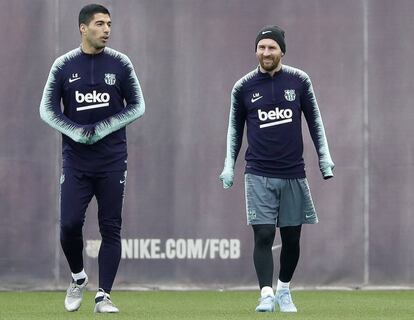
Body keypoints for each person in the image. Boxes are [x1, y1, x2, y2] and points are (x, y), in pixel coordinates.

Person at [219, 25, 334, 313]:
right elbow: (235, 130)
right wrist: (228, 167)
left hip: (293, 172)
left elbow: (315, 122)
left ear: (281, 50)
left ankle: (284, 289)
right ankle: (266, 294)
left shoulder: (299, 81)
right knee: (264, 234)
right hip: (257, 172)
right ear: (256, 51)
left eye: (271, 47)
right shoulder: (243, 87)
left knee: (292, 237)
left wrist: (325, 159)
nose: (266, 52)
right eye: (261, 47)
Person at [39, 3, 145, 313]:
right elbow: (47, 110)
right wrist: (76, 131)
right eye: (100, 24)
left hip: (112, 160)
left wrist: (100, 129)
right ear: (83, 28)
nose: (107, 29)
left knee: (110, 227)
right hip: (76, 162)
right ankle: (77, 278)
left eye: (109, 24)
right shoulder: (63, 65)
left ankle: (103, 296)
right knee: (70, 225)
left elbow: (138, 106)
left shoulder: (121, 63)